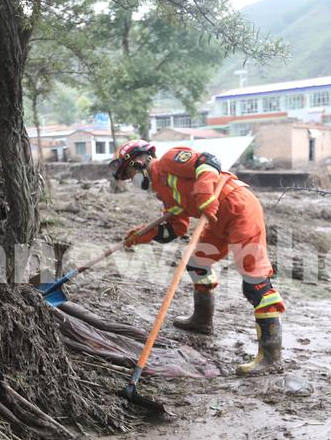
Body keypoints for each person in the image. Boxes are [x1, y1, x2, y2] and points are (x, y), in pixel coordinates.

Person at [110, 139, 286, 374]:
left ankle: (271, 358)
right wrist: (144, 235)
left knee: (255, 283)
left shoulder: (171, 160)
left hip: (238, 207)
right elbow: (176, 228)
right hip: (214, 220)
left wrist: (204, 194)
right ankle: (202, 321)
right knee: (196, 263)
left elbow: (208, 162)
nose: (130, 179)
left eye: (129, 173)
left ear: (139, 161)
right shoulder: (161, 190)